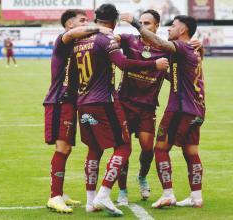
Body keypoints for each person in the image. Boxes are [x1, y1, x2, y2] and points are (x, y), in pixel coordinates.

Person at [69, 4, 169, 216]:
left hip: (83, 102)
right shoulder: (107, 40)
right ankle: (105, 194)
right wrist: (153, 65)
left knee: (94, 150)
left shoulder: (80, 41)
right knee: (123, 147)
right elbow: (122, 63)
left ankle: (90, 201)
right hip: (104, 101)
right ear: (114, 21)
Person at [122, 14, 205, 208]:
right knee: (191, 151)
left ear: (182, 30)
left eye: (173, 26)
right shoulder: (192, 50)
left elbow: (160, 43)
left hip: (180, 108)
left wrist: (135, 24)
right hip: (197, 109)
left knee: (160, 149)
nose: (169, 29)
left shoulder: (182, 47)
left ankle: (168, 193)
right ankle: (196, 197)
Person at [43, 9, 112, 213]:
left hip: (73, 102)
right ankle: (54, 196)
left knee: (67, 149)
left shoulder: (82, 45)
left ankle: (59, 192)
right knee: (62, 148)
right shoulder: (64, 39)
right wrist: (100, 27)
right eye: (83, 20)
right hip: (59, 101)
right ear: (70, 24)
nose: (87, 23)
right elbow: (72, 35)